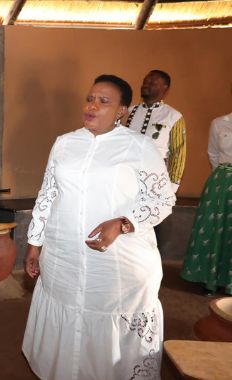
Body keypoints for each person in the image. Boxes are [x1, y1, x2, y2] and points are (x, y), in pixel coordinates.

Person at [22, 74, 176, 380]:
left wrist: (122, 223)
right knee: (66, 320)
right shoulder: (65, 143)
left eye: (104, 101)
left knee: (110, 329)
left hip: (117, 263)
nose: (92, 105)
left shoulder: (139, 146)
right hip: (64, 256)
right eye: (90, 98)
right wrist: (35, 243)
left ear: (122, 110)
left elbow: (163, 199)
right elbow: (48, 194)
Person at [181, 87, 232, 296]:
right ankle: (209, 278)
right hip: (222, 181)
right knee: (215, 229)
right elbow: (212, 153)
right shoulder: (220, 123)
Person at [125, 70, 186, 193]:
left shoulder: (173, 116)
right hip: (126, 177)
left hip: (155, 180)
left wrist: (173, 186)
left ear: (165, 88)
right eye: (145, 81)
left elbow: (178, 153)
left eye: (152, 82)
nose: (146, 84)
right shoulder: (128, 112)